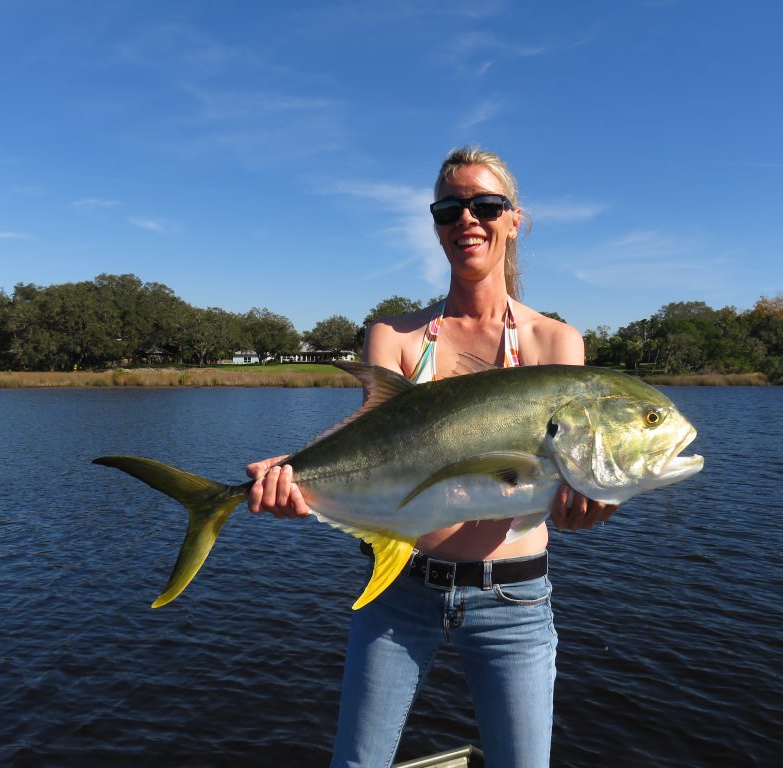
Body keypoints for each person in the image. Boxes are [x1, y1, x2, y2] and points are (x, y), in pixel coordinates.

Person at [246, 147, 617, 767]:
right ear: (436, 223)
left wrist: (585, 501)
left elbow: (558, 472)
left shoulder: (556, 341)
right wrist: (298, 483)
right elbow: (377, 452)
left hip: (515, 601)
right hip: (399, 590)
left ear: (515, 219)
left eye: (485, 205)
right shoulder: (393, 336)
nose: (467, 219)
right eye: (450, 208)